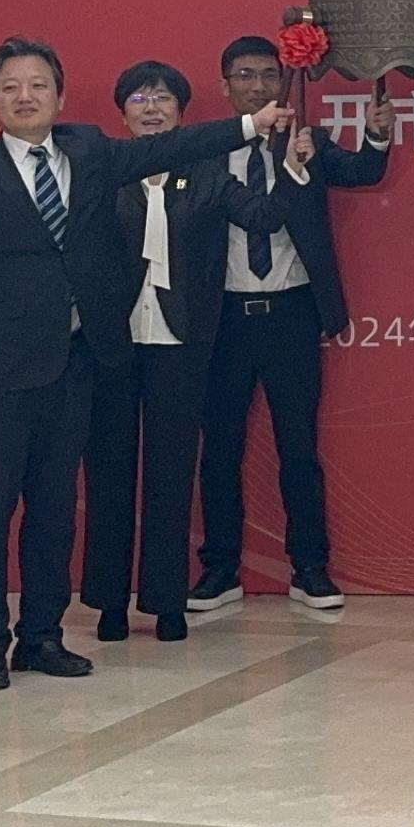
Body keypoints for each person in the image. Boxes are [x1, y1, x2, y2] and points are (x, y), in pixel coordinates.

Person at [0, 37, 290, 690]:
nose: (25, 97)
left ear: (59, 96)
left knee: (53, 509)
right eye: (11, 87)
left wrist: (248, 125)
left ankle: (41, 636)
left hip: (77, 361)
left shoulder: (89, 151)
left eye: (38, 85)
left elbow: (169, 148)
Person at [85, 60, 309, 643]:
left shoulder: (207, 173)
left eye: (162, 98)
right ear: (122, 112)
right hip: (112, 345)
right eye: (139, 99)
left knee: (172, 472)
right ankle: (109, 604)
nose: (151, 108)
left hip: (181, 345)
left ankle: (166, 602)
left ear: (183, 112)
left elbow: (263, 216)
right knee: (109, 473)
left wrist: (292, 169)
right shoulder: (101, 170)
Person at [193, 36, 393, 613]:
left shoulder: (308, 140)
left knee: (299, 449)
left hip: (292, 315)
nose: (258, 86)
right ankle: (220, 570)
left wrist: (377, 133)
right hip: (222, 320)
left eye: (268, 75)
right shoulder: (204, 153)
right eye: (245, 76)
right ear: (224, 85)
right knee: (220, 450)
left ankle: (310, 569)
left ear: (283, 82)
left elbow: (364, 171)